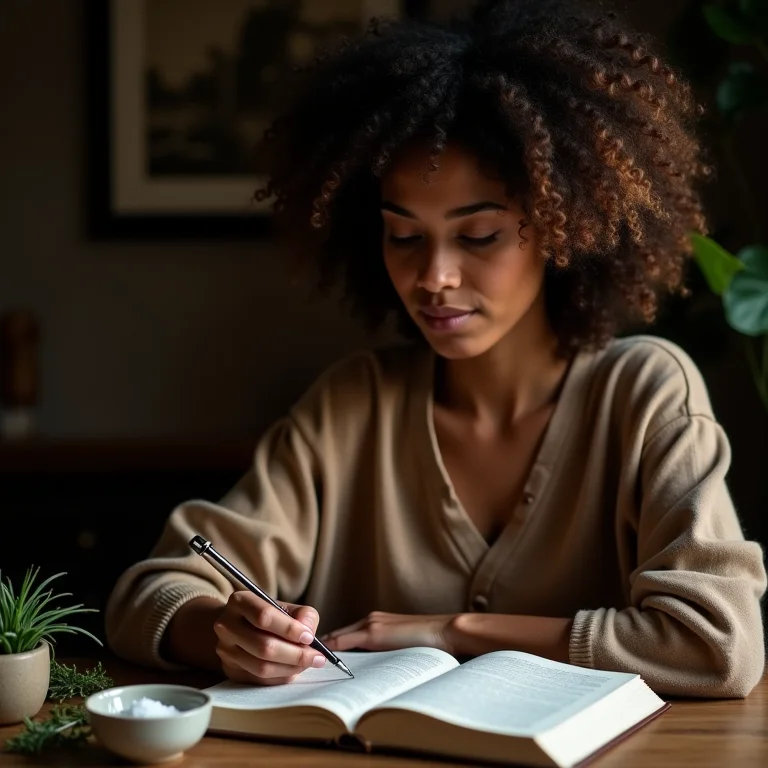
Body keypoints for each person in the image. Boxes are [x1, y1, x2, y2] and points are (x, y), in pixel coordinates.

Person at [105, 0, 767, 698]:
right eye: (404, 235)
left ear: (561, 225)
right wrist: (225, 630)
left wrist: (454, 632)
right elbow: (151, 593)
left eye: (478, 236)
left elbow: (716, 645)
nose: (433, 277)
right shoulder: (352, 408)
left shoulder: (643, 395)